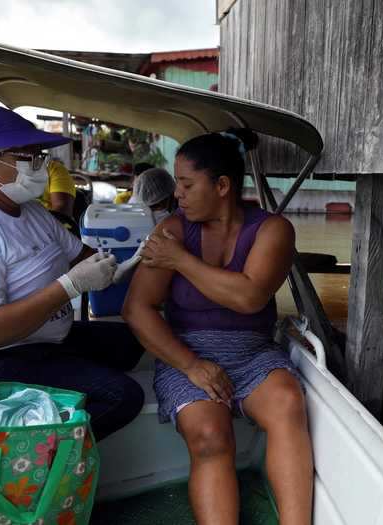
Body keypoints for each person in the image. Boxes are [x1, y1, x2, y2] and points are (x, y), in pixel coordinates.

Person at [123, 129, 312, 525]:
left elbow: (249, 298)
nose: (178, 194)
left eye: (187, 184)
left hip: (253, 350)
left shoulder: (272, 229)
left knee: (287, 403)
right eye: (178, 184)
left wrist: (182, 261)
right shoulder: (173, 231)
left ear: (222, 185)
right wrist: (191, 365)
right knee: (210, 436)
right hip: (185, 352)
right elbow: (137, 310)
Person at [0, 106, 145, 441]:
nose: (40, 165)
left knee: (131, 343)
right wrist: (69, 287)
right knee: (121, 396)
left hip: (36, 337)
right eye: (26, 156)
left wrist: (130, 262)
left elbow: (82, 257)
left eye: (39, 155)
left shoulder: (30, 211)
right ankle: (24, 468)